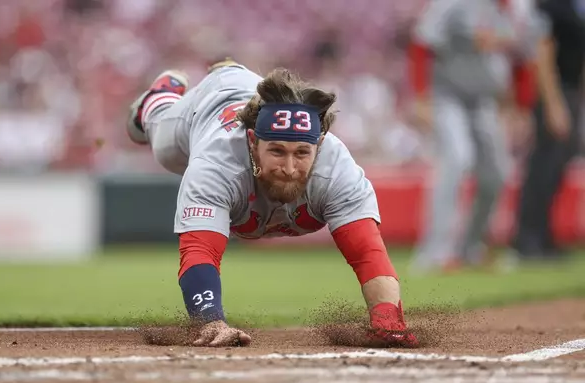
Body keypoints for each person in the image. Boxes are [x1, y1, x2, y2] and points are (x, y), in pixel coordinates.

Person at [125, 59, 419, 348]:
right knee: (157, 138)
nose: (290, 168)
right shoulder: (215, 163)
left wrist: (387, 322)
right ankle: (160, 97)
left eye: (302, 152)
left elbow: (368, 253)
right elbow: (200, 250)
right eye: (277, 151)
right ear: (252, 142)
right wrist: (210, 321)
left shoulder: (337, 169)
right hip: (209, 105)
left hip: (250, 108)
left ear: (318, 145)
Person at [408, 0, 540, 272]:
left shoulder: (521, 10)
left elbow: (524, 60)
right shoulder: (454, 3)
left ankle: (470, 249)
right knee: (457, 159)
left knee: (498, 173)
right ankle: (434, 254)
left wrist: (523, 108)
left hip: (484, 101)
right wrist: (421, 97)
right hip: (447, 96)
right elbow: (422, 44)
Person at [512, 0, 585, 260]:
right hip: (555, 92)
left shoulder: (571, 8)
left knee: (557, 166)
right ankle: (528, 238)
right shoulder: (551, 6)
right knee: (544, 165)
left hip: (570, 92)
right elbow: (543, 52)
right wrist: (554, 103)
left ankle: (543, 237)